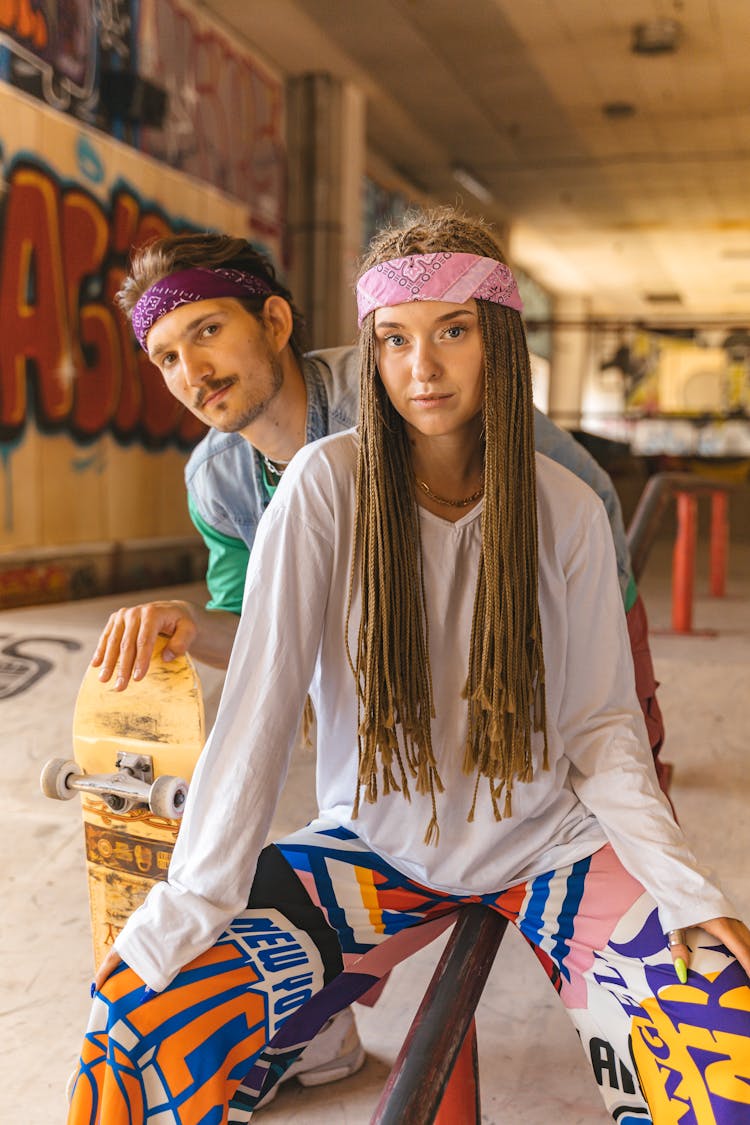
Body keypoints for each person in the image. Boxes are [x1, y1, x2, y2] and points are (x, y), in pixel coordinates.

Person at [68, 208, 750, 1124]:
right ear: (372, 349)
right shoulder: (311, 482)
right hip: (375, 846)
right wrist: (191, 902)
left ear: (497, 340)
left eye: (453, 332)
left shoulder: (569, 508)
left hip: (552, 843)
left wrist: (684, 887)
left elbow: (601, 726)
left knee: (723, 1034)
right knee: (132, 1027)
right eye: (395, 339)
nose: (421, 368)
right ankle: (309, 1042)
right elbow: (260, 711)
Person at [94, 231, 669, 793]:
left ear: (274, 322)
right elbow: (259, 637)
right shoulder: (215, 479)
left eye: (209, 332)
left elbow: (572, 491)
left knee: (608, 784)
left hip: (550, 595)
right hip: (411, 640)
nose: (193, 373)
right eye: (167, 357)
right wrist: (188, 624)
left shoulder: (397, 393)